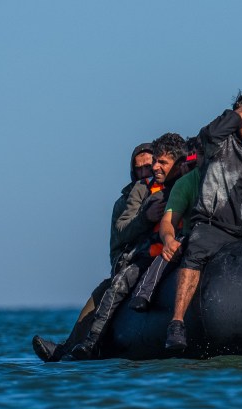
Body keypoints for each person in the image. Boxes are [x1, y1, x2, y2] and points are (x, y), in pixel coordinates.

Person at [165, 91, 242, 352]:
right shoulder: (219, 142)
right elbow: (207, 134)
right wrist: (241, 112)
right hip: (213, 224)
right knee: (194, 251)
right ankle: (177, 323)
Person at [32, 142, 155, 362]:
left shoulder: (169, 189)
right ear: (133, 171)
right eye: (139, 169)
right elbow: (118, 242)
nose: (145, 173)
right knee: (104, 289)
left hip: (159, 257)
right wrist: (144, 220)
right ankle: (68, 347)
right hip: (131, 261)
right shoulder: (123, 203)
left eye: (149, 166)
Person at [71, 133, 187, 359]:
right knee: (116, 285)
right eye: (142, 167)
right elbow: (122, 232)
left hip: (179, 249)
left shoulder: (186, 182)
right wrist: (146, 217)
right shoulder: (136, 194)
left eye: (155, 163)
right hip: (142, 255)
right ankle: (89, 341)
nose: (150, 169)